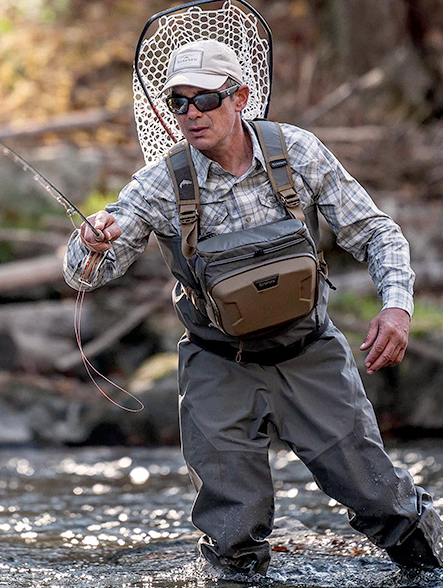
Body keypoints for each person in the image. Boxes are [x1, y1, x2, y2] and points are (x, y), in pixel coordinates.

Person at [64, 38, 443, 574]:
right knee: (232, 534)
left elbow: (376, 232)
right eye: (179, 102)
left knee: (383, 502)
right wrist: (92, 242)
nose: (191, 114)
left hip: (310, 356)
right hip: (218, 367)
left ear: (240, 96)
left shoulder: (298, 153)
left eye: (206, 99)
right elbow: (88, 271)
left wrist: (397, 306)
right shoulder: (159, 185)